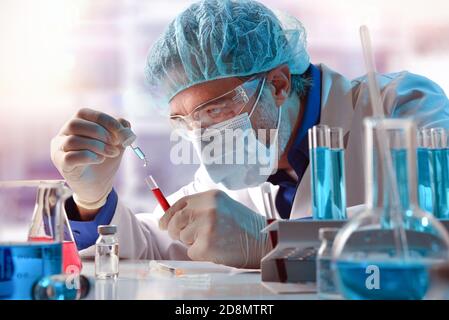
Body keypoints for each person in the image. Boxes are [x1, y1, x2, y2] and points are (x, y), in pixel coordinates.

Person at [51, 0, 449, 268]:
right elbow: (155, 246)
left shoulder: (403, 106)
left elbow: (432, 236)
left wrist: (271, 243)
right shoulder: (232, 169)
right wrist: (92, 200)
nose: (203, 134)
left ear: (277, 85)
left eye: (214, 109)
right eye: (186, 121)